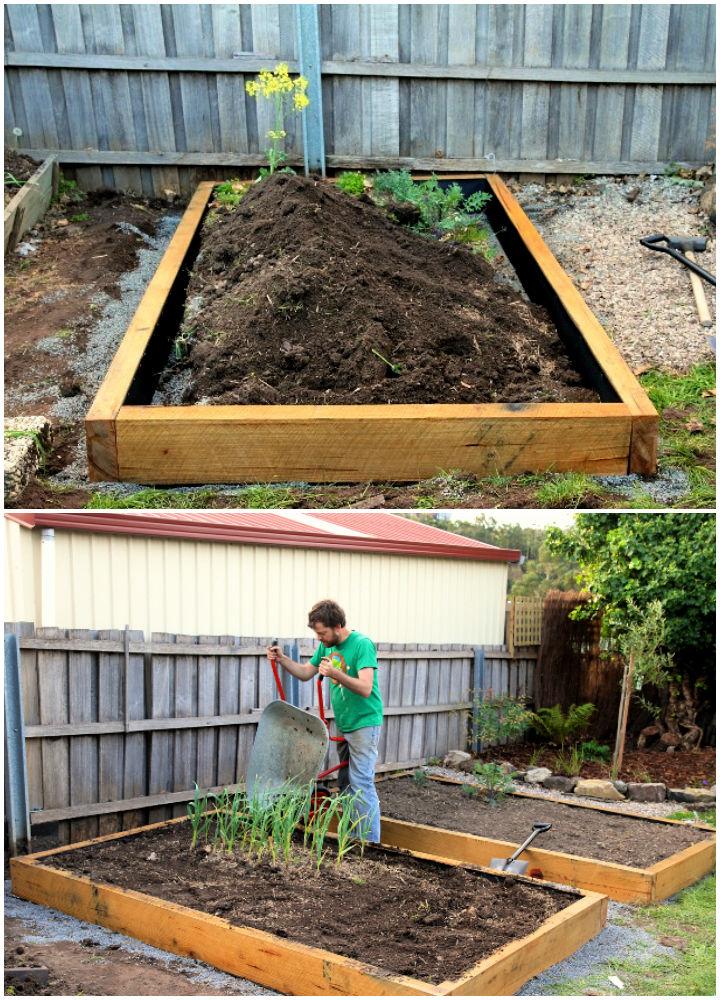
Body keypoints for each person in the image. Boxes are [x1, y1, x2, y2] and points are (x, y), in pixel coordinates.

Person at [266, 599, 383, 842]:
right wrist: (283, 660)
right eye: (317, 635)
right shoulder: (327, 647)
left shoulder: (362, 645)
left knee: (361, 782)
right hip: (345, 721)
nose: (319, 639)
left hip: (365, 723)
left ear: (337, 626)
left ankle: (370, 845)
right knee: (346, 782)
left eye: (322, 634)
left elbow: (365, 687)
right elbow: (306, 673)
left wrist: (336, 673)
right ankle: (352, 838)